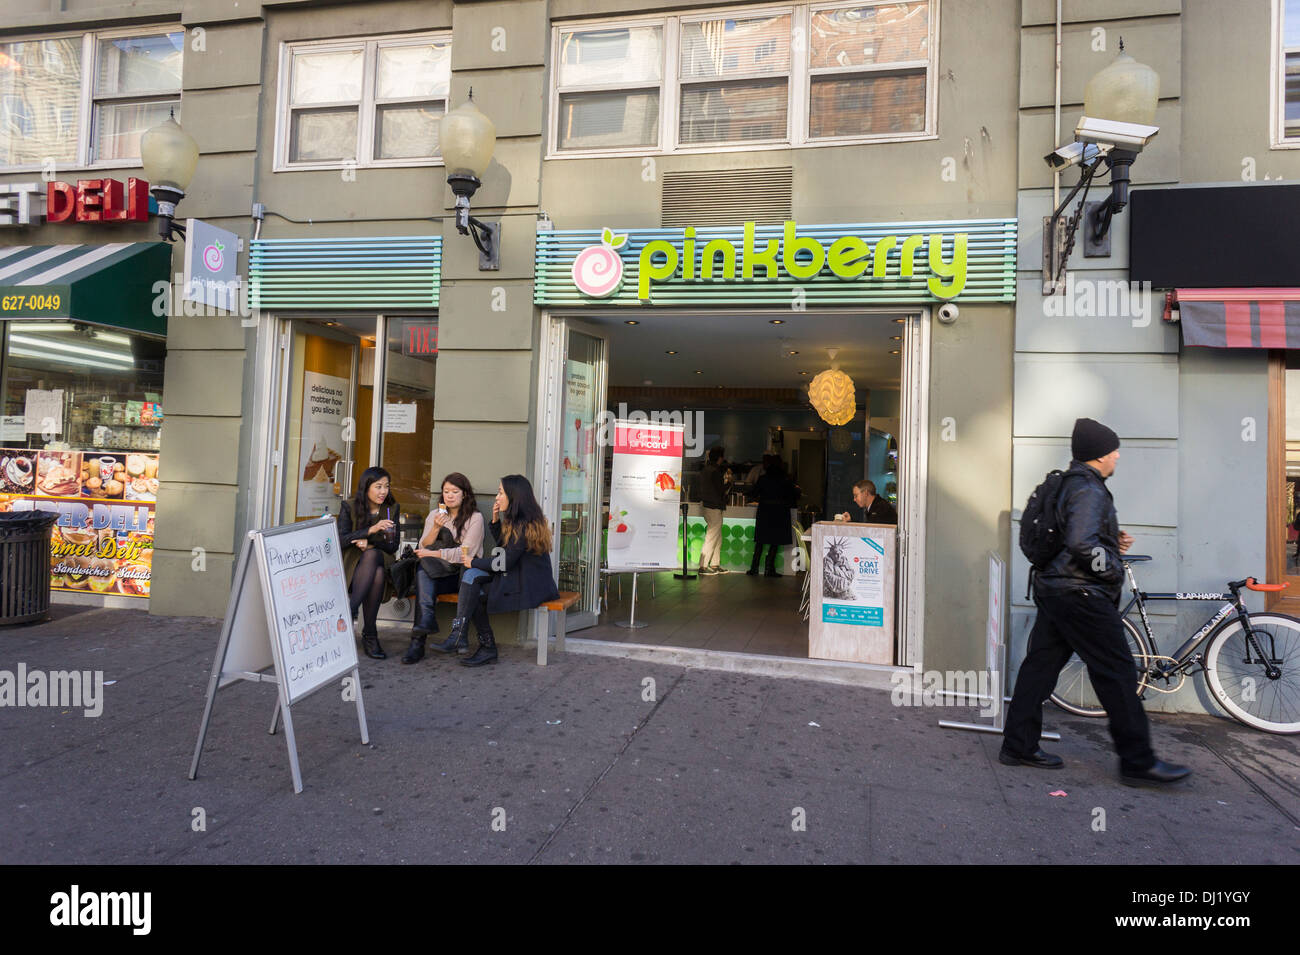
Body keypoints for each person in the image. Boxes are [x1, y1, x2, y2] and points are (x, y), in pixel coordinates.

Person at [1001, 418, 1191, 786]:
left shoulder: (1069, 483)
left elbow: (1078, 535)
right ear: (1099, 456)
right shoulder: (1088, 489)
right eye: (1113, 450)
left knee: (1040, 666)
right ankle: (1138, 762)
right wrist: (1110, 570)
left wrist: (1110, 539)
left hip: (1056, 588)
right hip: (1081, 593)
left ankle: (1018, 745)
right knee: (1117, 673)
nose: (1117, 456)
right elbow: (1081, 544)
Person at [450, 474, 560, 667]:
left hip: (529, 586)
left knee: (475, 591)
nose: (497, 497)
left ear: (513, 496)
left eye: (500, 492)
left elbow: (504, 562)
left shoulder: (523, 525)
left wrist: (473, 562)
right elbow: (507, 549)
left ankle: (480, 644)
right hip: (523, 579)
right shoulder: (522, 520)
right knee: (473, 582)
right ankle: (466, 637)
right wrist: (495, 521)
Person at [403, 472, 485, 663]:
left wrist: (435, 554)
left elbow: (466, 555)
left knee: (424, 574)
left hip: (461, 576)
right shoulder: (435, 515)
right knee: (423, 573)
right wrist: (435, 529)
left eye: (455, 491)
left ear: (464, 494)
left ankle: (418, 641)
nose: (449, 495)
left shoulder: (475, 518)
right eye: (446, 491)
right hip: (438, 573)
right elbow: (423, 546)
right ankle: (423, 628)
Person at [337, 467, 400, 660]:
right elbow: (340, 540)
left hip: (382, 555)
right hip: (353, 564)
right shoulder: (349, 506)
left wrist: (370, 543)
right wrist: (370, 530)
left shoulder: (391, 509)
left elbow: (392, 546)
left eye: (386, 486)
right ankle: (370, 634)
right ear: (366, 487)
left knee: (373, 557)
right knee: (377, 574)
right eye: (378, 486)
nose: (383, 491)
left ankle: (351, 608)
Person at [748, 456, 798, 578]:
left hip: (764, 511)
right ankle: (769, 569)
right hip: (779, 512)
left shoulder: (763, 479)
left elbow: (754, 493)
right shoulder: (785, 480)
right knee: (774, 541)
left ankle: (754, 568)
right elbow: (793, 495)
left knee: (760, 540)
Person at [698, 446, 732, 575]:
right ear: (719, 458)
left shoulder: (706, 470)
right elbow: (721, 489)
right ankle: (703, 566)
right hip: (714, 507)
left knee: (717, 537)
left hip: (707, 505)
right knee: (712, 536)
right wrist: (729, 482)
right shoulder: (715, 472)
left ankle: (715, 564)